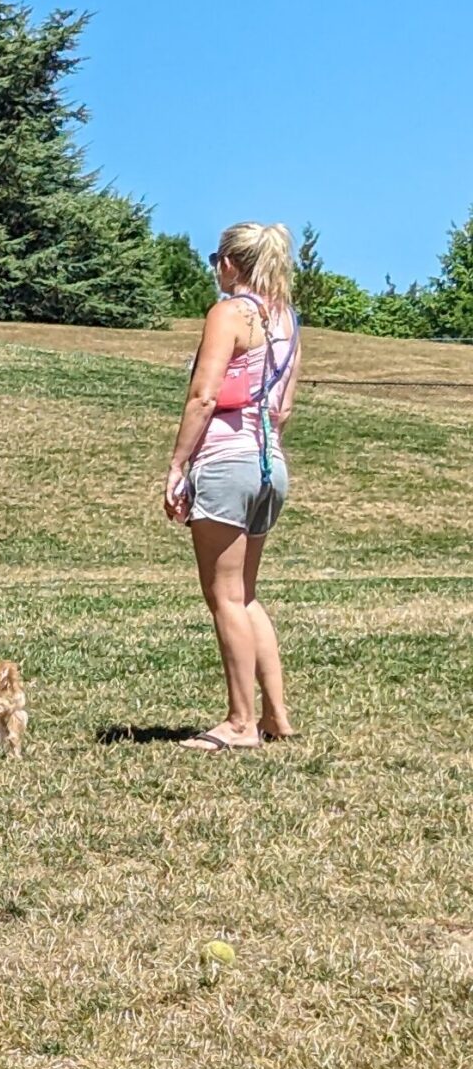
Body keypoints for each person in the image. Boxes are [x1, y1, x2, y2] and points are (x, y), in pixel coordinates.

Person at [164, 222, 302, 751]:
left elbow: (203, 396)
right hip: (269, 463)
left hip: (226, 462)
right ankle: (276, 715)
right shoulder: (287, 319)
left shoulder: (228, 314)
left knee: (223, 596)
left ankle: (240, 723)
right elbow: (282, 407)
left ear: (230, 263)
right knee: (245, 594)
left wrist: (178, 465)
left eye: (214, 259)